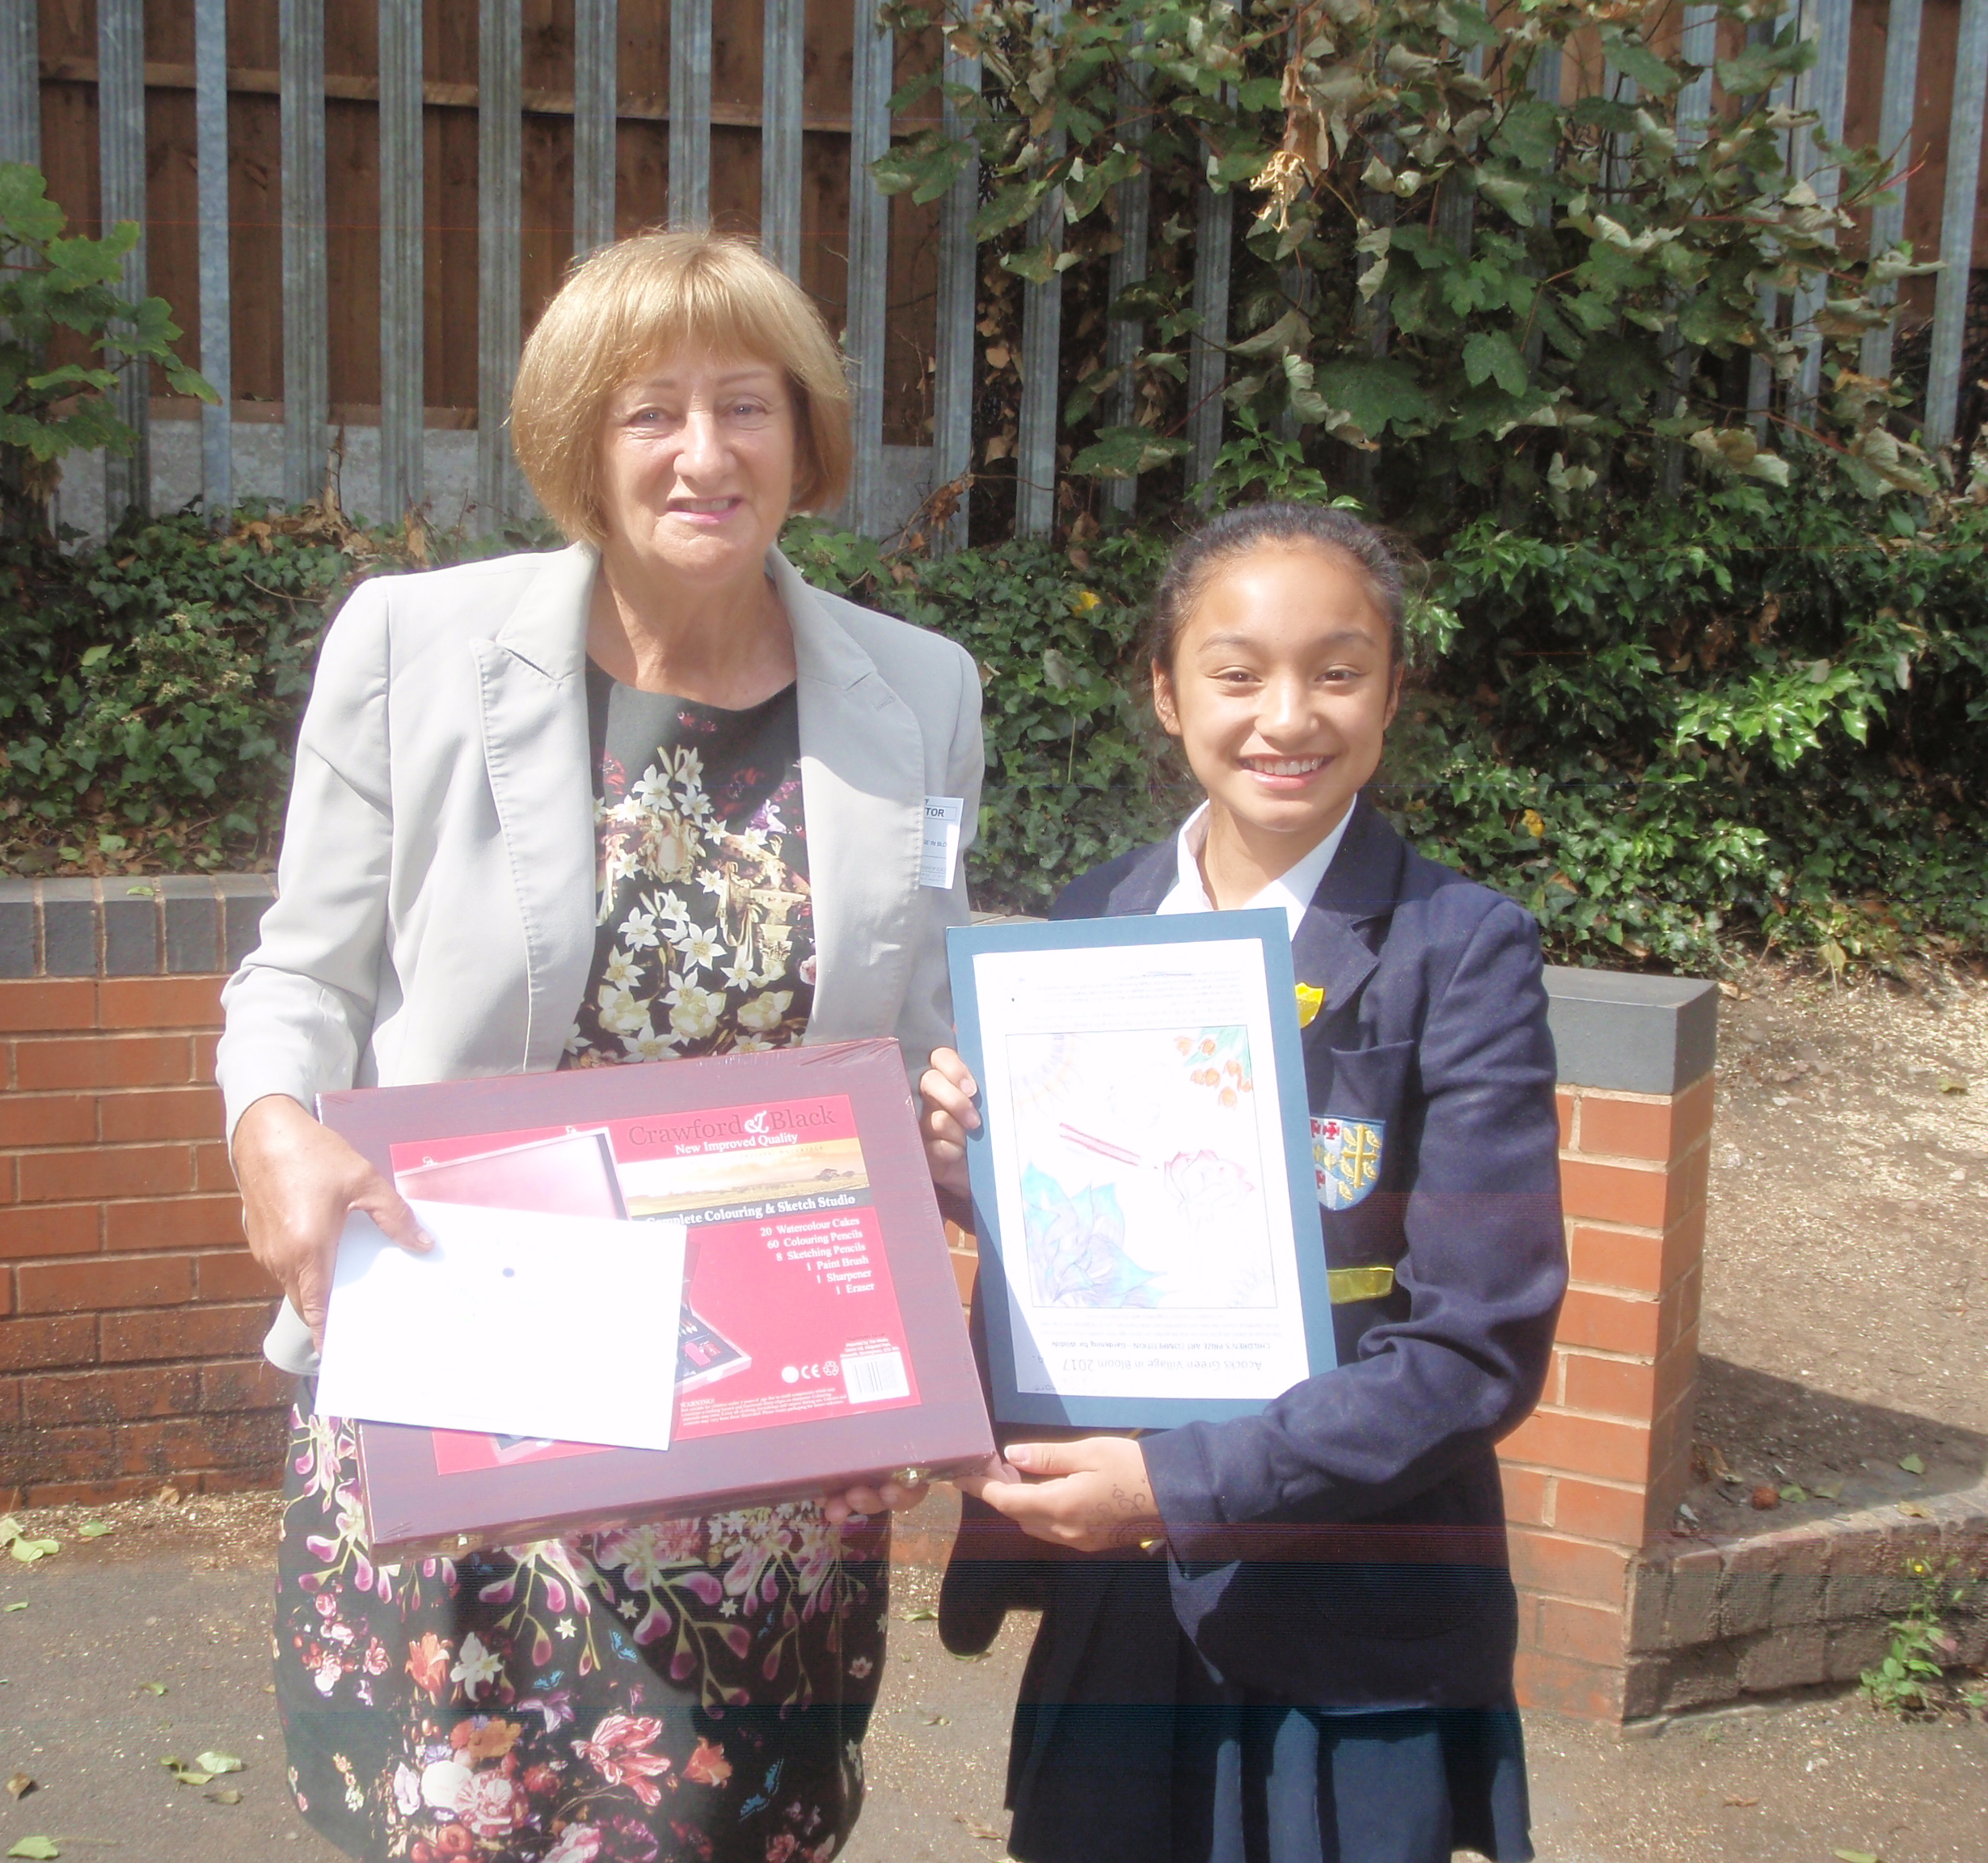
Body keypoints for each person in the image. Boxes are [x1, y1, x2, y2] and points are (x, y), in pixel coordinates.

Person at [217, 230, 982, 1863]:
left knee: (721, 1830)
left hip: (762, 1436)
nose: (705, 454)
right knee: (455, 1825)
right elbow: (302, 972)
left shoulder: (922, 694)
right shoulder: (413, 648)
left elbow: (921, 1019)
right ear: (583, 439)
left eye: (747, 406)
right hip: (475, 1381)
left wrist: (945, 1170)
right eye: (653, 412)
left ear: (804, 433)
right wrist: (270, 1120)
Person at [917, 502, 1564, 1863]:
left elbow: (1476, 1348)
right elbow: (1103, 1227)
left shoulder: (1461, 948)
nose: (1287, 717)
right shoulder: (1093, 918)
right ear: (1166, 692)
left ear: (1392, 693)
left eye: (1337, 672)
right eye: (1237, 673)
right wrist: (971, 1170)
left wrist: (1174, 1487)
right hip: (1119, 1599)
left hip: (1350, 1614)